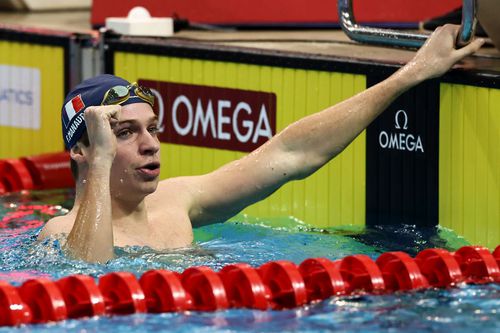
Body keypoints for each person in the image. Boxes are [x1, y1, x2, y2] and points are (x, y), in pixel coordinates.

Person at [38, 25, 484, 263]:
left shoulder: (178, 200)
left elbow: (291, 153)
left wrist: (414, 72)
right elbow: (90, 272)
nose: (151, 145)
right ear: (82, 150)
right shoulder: (58, 233)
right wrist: (99, 164)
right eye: (125, 133)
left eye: (153, 128)